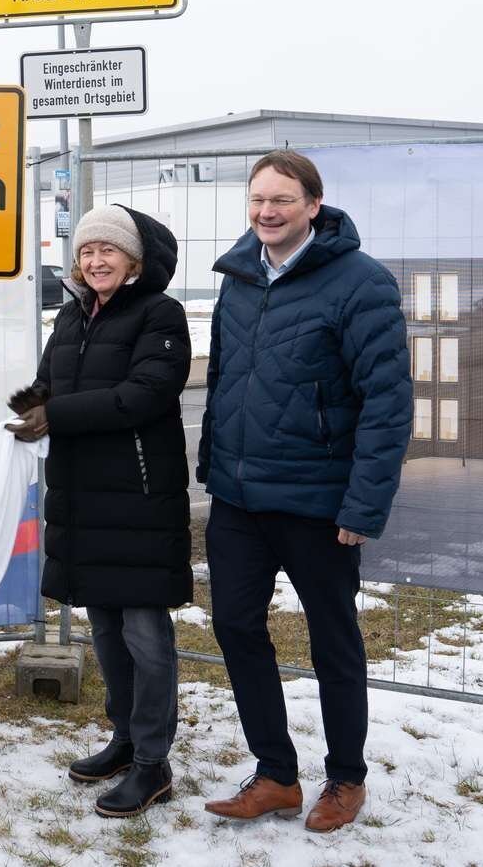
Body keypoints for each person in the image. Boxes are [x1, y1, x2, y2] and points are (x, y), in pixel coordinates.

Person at [196, 150, 411, 833]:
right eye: (258, 198)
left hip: (319, 502)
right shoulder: (236, 276)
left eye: (282, 199)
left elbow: (387, 402)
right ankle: (275, 774)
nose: (267, 210)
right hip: (239, 498)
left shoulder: (361, 284)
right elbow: (225, 379)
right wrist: (214, 466)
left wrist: (363, 505)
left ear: (313, 205)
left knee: (333, 639)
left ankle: (345, 776)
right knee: (233, 622)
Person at [6, 205, 192, 819]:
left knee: (145, 633)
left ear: (133, 261)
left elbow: (143, 395)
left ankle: (152, 763)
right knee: (106, 630)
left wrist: (54, 416)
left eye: (108, 251)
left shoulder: (159, 315)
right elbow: (47, 385)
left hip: (137, 498)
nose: (95, 261)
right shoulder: (71, 315)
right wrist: (23, 412)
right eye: (87, 252)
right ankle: (124, 740)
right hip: (83, 497)